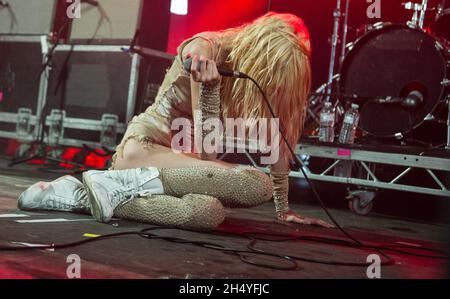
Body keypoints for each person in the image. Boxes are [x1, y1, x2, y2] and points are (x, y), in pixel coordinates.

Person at [18, 12, 334, 230]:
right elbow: (207, 153)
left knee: (207, 212)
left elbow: (278, 133)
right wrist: (209, 88)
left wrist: (284, 210)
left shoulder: (248, 74)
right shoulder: (204, 49)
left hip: (178, 169)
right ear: (260, 58)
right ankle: (116, 181)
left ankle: (83, 195)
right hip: (144, 151)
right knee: (254, 183)